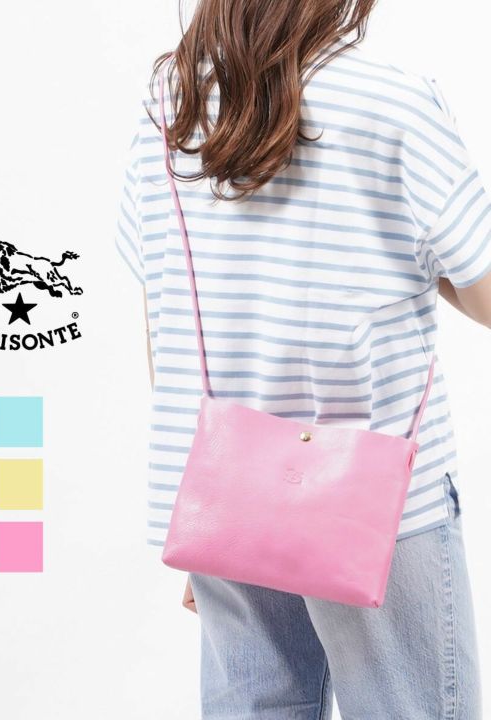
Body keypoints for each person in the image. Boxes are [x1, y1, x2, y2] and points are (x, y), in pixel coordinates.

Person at [114, 1, 491, 717]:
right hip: (377, 502)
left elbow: (162, 308)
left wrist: (209, 522)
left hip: (226, 488)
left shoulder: (171, 100)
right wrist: (425, 255)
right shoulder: (393, 100)